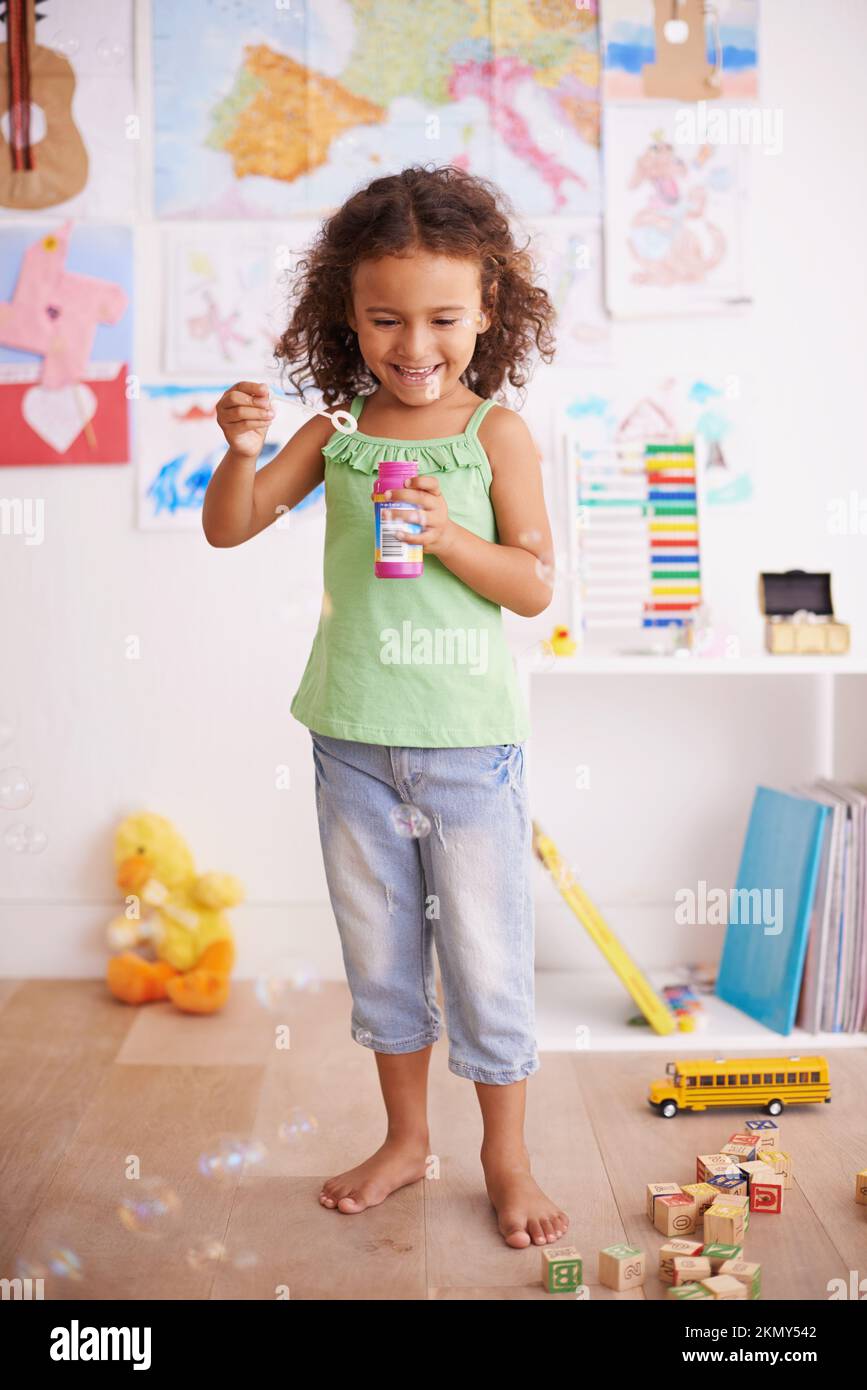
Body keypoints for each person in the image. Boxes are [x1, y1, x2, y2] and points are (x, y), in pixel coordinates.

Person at [203, 164, 566, 1249]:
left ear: (488, 311)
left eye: (444, 317)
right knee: (382, 952)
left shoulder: (494, 435)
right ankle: (408, 1139)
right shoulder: (336, 434)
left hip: (467, 747)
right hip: (352, 740)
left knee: (489, 960)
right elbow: (233, 526)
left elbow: (536, 584)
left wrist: (452, 536)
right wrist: (238, 453)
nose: (416, 345)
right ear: (346, 318)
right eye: (385, 319)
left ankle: (507, 1154)